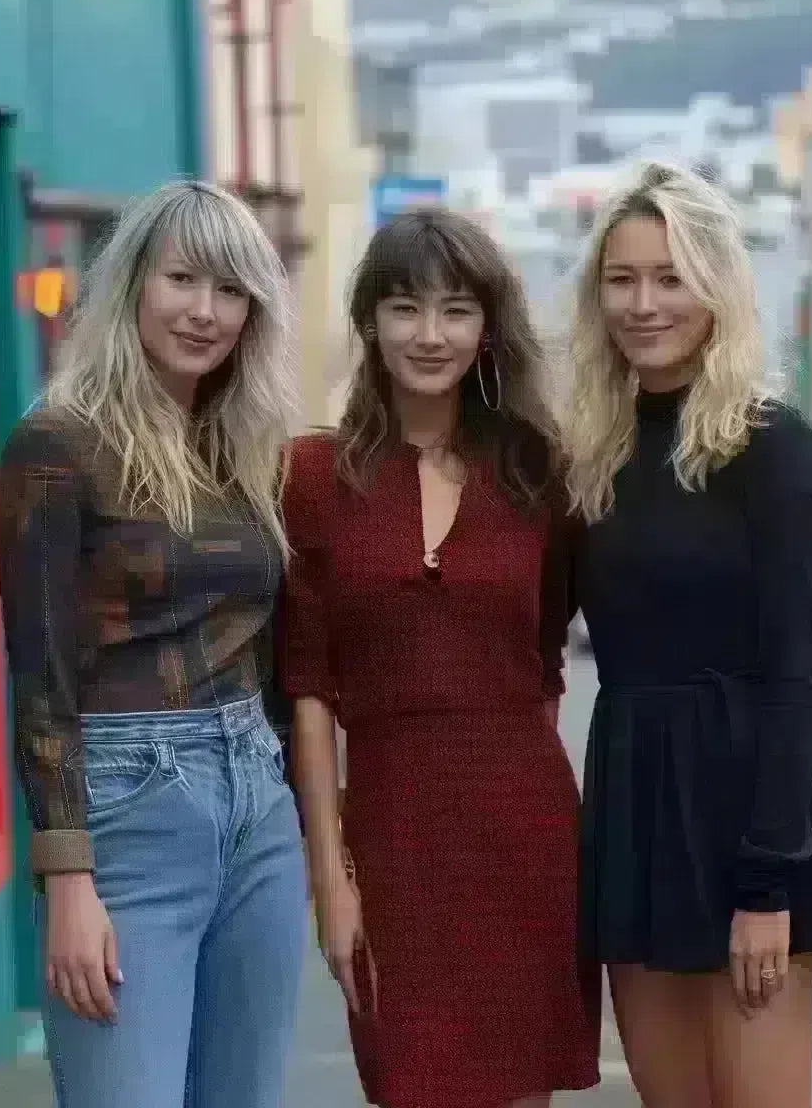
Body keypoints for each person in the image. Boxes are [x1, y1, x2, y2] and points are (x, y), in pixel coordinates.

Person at [560, 160, 812, 1108]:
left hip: (747, 820)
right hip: (637, 814)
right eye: (623, 279)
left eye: (670, 276)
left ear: (716, 288)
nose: (644, 303)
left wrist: (767, 885)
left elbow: (797, 668)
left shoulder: (770, 443)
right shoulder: (591, 448)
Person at [0, 180, 307, 1108]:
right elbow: (38, 673)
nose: (205, 312)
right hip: (127, 810)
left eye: (232, 289)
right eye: (182, 279)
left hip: (258, 806)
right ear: (132, 281)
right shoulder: (58, 443)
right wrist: (68, 879)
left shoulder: (243, 445)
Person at [279, 208, 601, 1108]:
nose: (430, 334)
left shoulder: (542, 472)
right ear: (369, 323)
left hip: (524, 832)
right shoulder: (310, 477)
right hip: (388, 838)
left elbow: (544, 666)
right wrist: (329, 876)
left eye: (456, 310)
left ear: (486, 328)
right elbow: (306, 687)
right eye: (404, 308)